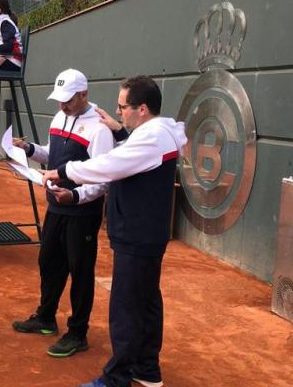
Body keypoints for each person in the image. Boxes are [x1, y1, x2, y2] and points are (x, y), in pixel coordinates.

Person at [42, 76, 187, 387]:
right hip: (144, 232)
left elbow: (110, 165)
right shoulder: (155, 132)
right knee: (145, 302)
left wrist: (63, 171)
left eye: (123, 107)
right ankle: (146, 370)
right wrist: (121, 131)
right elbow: (129, 158)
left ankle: (115, 378)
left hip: (138, 233)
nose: (118, 112)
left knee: (126, 308)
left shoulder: (153, 137)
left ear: (143, 109)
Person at [11, 69, 116, 358]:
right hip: (56, 205)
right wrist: (29, 149)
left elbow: (104, 177)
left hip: (82, 212)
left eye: (68, 100)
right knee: (49, 262)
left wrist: (76, 196)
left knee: (80, 272)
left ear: (84, 95)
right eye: (59, 100)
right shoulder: (59, 117)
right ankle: (46, 318)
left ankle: (78, 333)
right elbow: (52, 154)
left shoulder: (100, 128)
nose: (62, 106)